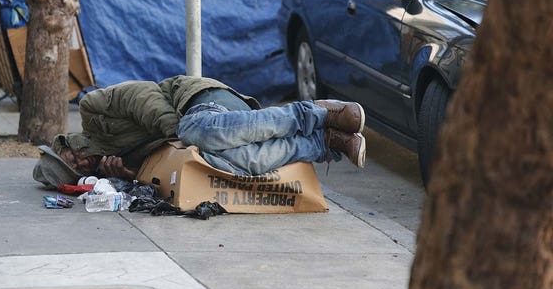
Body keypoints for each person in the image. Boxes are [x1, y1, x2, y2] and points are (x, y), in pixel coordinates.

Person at [33, 75, 365, 189]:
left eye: (69, 156)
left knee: (195, 134)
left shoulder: (93, 110)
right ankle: (325, 142)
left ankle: (320, 113)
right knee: (234, 162)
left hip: (199, 102)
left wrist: (176, 134)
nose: (80, 160)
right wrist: (132, 174)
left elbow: (144, 94)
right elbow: (165, 166)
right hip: (221, 129)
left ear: (63, 142)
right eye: (77, 169)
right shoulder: (112, 162)